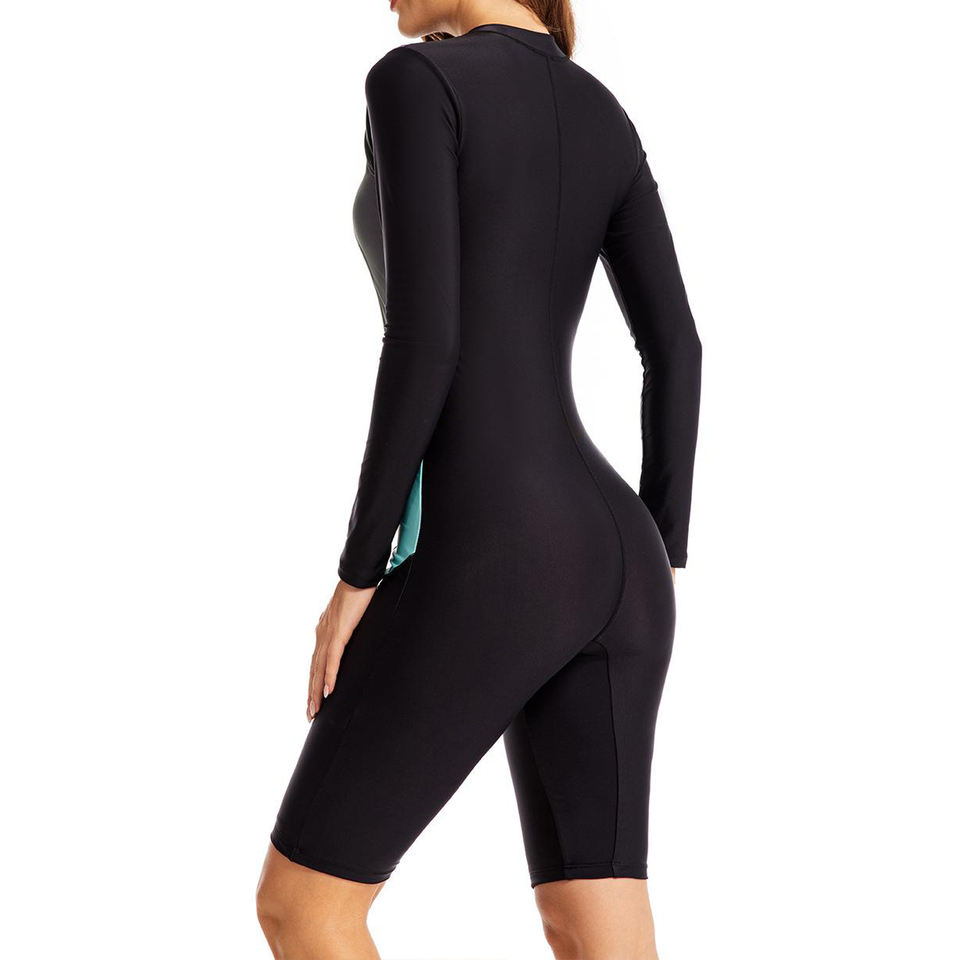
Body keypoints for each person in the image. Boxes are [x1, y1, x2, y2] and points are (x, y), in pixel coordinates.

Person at [256, 1, 702, 957]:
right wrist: (661, 549)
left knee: (304, 906)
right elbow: (678, 349)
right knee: (592, 923)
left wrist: (359, 572)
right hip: (618, 563)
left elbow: (426, 340)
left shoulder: (417, 81)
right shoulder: (603, 111)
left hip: (496, 543)